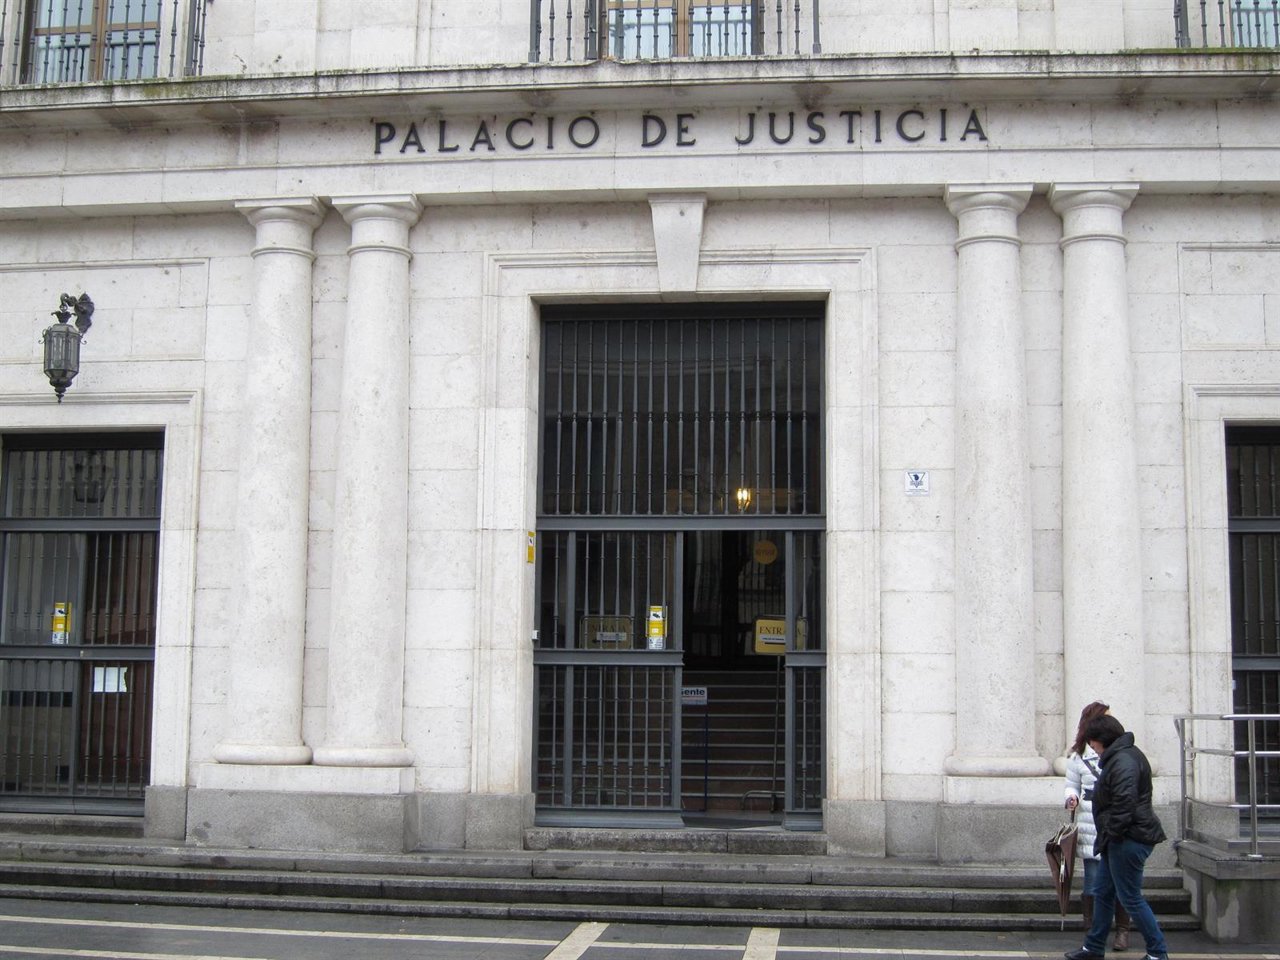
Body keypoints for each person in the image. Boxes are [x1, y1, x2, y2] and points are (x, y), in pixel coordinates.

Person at [1064, 714, 1170, 960]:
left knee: (1130, 898)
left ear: (1103, 740)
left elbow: (1124, 804)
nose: (1093, 749)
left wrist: (1111, 834)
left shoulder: (1123, 760)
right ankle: (1093, 947)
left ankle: (1157, 952)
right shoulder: (1122, 756)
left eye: (1093, 744)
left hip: (1128, 839)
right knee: (1103, 892)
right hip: (1121, 838)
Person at [1064, 702, 1131, 951]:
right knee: (1093, 880)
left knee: (1120, 880)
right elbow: (1072, 784)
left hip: (1115, 821)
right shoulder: (1079, 756)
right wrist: (1071, 798)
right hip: (1090, 821)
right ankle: (1092, 933)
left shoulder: (1121, 753)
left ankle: (1122, 930)